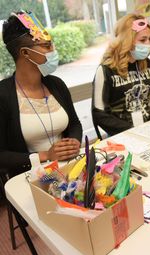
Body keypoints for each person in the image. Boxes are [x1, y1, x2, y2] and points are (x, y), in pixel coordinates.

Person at [0, 11, 82, 177]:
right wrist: (45, 155)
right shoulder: (3, 95)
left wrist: (74, 141)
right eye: (47, 46)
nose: (53, 50)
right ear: (25, 53)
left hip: (70, 171)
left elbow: (74, 124)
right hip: (30, 178)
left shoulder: (56, 84)